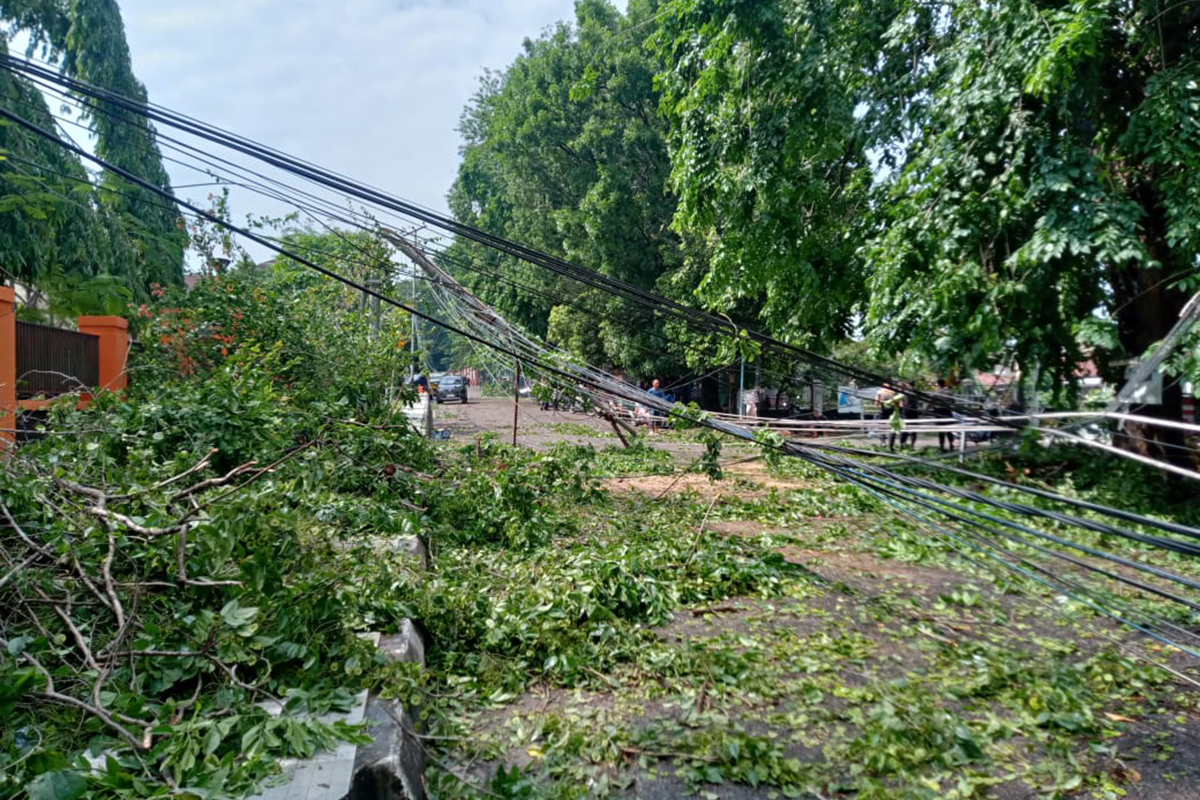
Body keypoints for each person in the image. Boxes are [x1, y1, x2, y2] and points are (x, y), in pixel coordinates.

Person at [875, 381, 904, 452]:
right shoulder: (894, 392)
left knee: (881, 426)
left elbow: (876, 403)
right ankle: (891, 445)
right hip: (893, 412)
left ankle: (883, 442)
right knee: (892, 427)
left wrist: (880, 404)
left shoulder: (879, 392)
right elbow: (898, 403)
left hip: (882, 411)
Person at [932, 378, 957, 452]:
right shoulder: (949, 392)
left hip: (939, 412)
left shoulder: (936, 393)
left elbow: (930, 402)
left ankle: (942, 446)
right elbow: (953, 401)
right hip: (947, 412)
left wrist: (925, 411)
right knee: (949, 430)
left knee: (941, 430)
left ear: (938, 384)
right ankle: (951, 446)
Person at [900, 381, 920, 449]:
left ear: (908, 385)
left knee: (905, 427)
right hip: (914, 411)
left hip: (906, 411)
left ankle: (902, 444)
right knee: (914, 429)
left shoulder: (905, 392)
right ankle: (912, 445)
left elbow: (901, 403)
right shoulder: (917, 392)